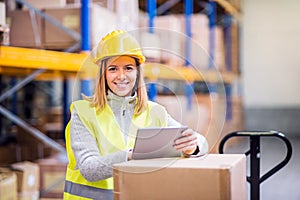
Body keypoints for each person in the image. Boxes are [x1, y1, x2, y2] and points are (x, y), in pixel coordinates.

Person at [63, 30, 209, 200]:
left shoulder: (155, 112)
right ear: (103, 74)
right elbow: (89, 169)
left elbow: (202, 142)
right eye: (113, 69)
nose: (121, 76)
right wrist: (131, 156)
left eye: (128, 68)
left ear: (137, 73)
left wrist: (193, 146)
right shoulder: (83, 112)